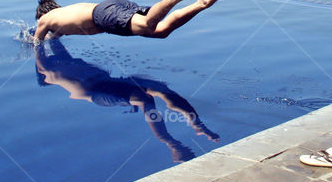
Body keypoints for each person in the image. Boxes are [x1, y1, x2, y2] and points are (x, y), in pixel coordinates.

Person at [34, 38, 219, 162]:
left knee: (162, 89)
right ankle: (170, 143)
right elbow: (39, 52)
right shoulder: (49, 73)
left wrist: (48, 28)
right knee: (144, 100)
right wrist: (37, 38)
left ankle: (197, 124)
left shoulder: (64, 61)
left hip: (112, 82)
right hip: (97, 93)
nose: (52, 57)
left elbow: (55, 42)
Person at [33, 0, 224, 42]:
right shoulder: (63, 15)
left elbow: (37, 42)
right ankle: (200, 4)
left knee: (147, 24)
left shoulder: (45, 20)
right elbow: (55, 37)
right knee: (160, 31)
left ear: (42, 14)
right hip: (108, 8)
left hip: (102, 15)